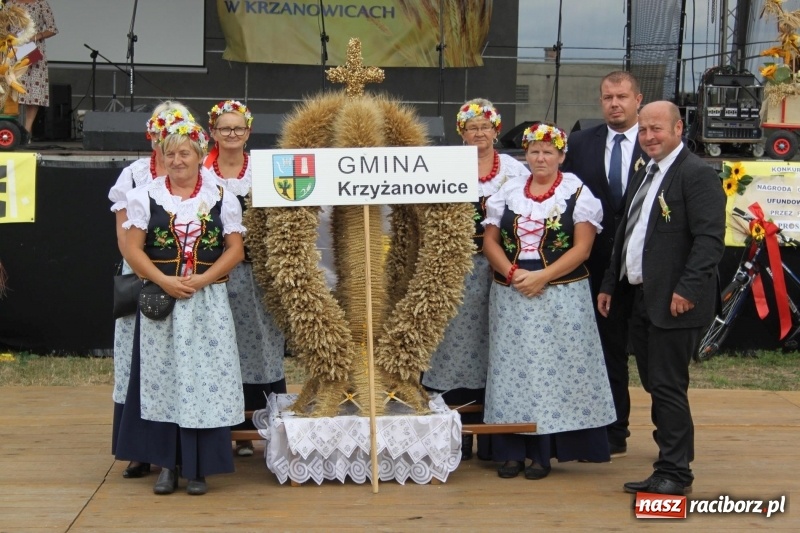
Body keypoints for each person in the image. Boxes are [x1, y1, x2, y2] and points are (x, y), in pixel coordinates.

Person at [598, 101, 726, 496]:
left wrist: (687, 289)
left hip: (676, 301)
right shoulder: (646, 170)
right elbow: (627, 234)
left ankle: (674, 474)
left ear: (678, 128)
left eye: (657, 129)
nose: (649, 137)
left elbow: (709, 241)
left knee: (668, 386)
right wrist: (609, 283)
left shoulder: (696, 174)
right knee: (657, 384)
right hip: (641, 296)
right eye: (644, 130)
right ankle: (670, 461)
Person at [115, 114, 245, 496]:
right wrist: (163, 280)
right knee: (164, 380)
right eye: (170, 154)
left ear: (199, 154)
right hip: (161, 302)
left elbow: (235, 249)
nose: (177, 161)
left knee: (204, 380)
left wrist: (203, 279)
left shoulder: (222, 195)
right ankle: (167, 466)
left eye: (185, 153)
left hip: (207, 303)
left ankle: (199, 467)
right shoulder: (145, 196)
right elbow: (133, 249)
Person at [482, 123, 616, 480]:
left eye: (547, 152)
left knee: (548, 373)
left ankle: (542, 453)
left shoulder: (577, 192)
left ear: (561, 156)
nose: (540, 158)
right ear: (525, 156)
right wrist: (512, 274)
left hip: (560, 294)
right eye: (533, 152)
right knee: (510, 372)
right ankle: (510, 451)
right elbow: (490, 242)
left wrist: (542, 276)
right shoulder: (507, 191)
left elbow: (583, 248)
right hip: (510, 294)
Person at [421, 98, 528, 461]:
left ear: (496, 130)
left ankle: (494, 433)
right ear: (461, 132)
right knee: (452, 345)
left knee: (493, 341)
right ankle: (457, 434)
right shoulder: (445, 167)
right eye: (471, 127)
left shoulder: (515, 171)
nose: (478, 133)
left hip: (501, 270)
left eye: (485, 126)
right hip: (457, 268)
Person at [561, 71, 647, 458]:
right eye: (607, 97)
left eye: (622, 97)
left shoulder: (656, 140)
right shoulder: (578, 144)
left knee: (650, 357)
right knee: (605, 350)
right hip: (593, 268)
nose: (615, 103)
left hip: (645, 268)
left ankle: (667, 438)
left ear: (638, 100)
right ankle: (612, 430)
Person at [108, 102, 195, 479]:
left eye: (177, 132)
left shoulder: (195, 171)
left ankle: (183, 446)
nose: (169, 141)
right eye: (164, 132)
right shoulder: (135, 174)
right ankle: (138, 449)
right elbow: (125, 237)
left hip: (186, 278)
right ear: (154, 135)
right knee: (136, 361)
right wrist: (151, 274)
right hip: (143, 274)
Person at [205, 100, 286, 457]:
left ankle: (263, 425)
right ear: (212, 133)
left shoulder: (265, 171)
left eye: (238, 128)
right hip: (214, 275)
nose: (232, 134)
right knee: (220, 344)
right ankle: (225, 425)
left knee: (262, 344)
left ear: (248, 132)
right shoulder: (202, 175)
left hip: (258, 273)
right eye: (225, 128)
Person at [8, 0, 57, 139]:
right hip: (14, 51)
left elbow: (52, 28)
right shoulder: (11, 3)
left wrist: (36, 36)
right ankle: (13, 129)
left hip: (33, 50)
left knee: (33, 94)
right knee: (13, 91)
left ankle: (26, 131)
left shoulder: (41, 4)